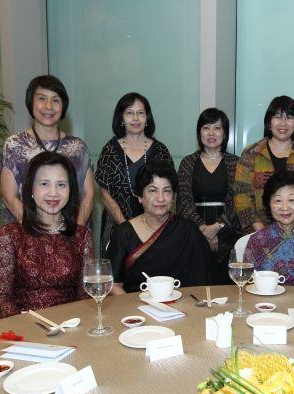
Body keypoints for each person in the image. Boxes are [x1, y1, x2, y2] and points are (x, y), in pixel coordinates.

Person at [0, 152, 93, 319]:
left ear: (71, 190)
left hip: (71, 326)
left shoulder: (81, 236)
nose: (53, 193)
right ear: (30, 188)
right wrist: (30, 328)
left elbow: (86, 297)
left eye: (61, 185)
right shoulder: (10, 235)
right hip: (23, 330)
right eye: (44, 184)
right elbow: (2, 299)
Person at [0, 75, 94, 225]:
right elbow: (9, 197)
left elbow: (88, 195)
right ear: (31, 102)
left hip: (72, 236)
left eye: (55, 100)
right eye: (42, 98)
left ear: (63, 105)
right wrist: (41, 230)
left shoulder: (78, 147)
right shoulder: (14, 145)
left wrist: (77, 231)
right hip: (29, 233)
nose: (49, 106)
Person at [106, 160, 209, 294]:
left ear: (173, 197)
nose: (160, 198)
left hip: (181, 306)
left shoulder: (187, 231)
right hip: (135, 307)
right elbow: (113, 284)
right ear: (140, 196)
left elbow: (202, 279)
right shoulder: (123, 233)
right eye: (153, 191)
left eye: (167, 191)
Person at [95, 92, 174, 255]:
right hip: (117, 226)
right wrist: (126, 227)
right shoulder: (109, 150)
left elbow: (170, 190)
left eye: (141, 113)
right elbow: (104, 194)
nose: (136, 118)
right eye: (129, 113)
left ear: (147, 118)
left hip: (156, 227)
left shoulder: (161, 151)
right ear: (121, 119)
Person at [234, 95, 294, 234]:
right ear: (269, 123)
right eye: (277, 117)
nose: (283, 123)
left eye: (289, 117)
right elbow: (241, 196)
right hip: (259, 235)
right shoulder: (251, 153)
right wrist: (262, 231)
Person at [177, 108, 241, 284]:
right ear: (199, 132)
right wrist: (203, 229)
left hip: (228, 235)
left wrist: (217, 228)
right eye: (206, 128)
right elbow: (183, 201)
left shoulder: (236, 163)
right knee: (196, 286)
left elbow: (238, 202)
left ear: (225, 132)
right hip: (194, 234)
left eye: (217, 128)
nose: (211, 133)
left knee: (226, 289)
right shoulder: (188, 162)